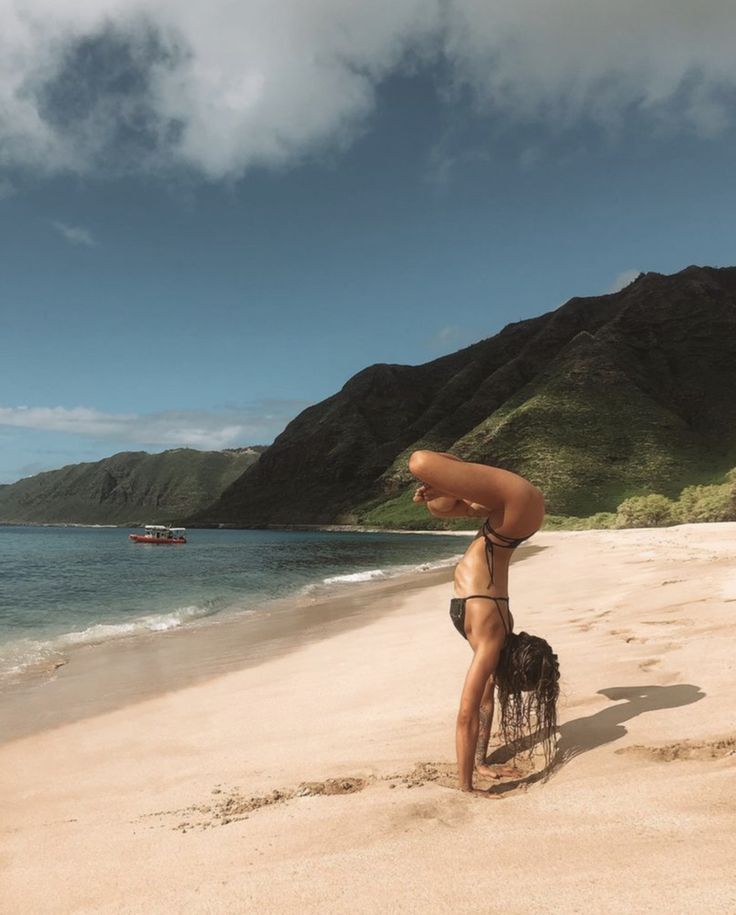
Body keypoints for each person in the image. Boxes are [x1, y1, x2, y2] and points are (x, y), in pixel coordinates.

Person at [409, 450, 559, 795]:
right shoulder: (492, 638)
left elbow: (483, 703)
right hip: (521, 508)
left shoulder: (498, 640)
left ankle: (450, 478)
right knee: (419, 461)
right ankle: (455, 463)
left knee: (438, 507)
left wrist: (479, 764)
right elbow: (466, 715)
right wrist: (466, 787)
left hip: (504, 525)